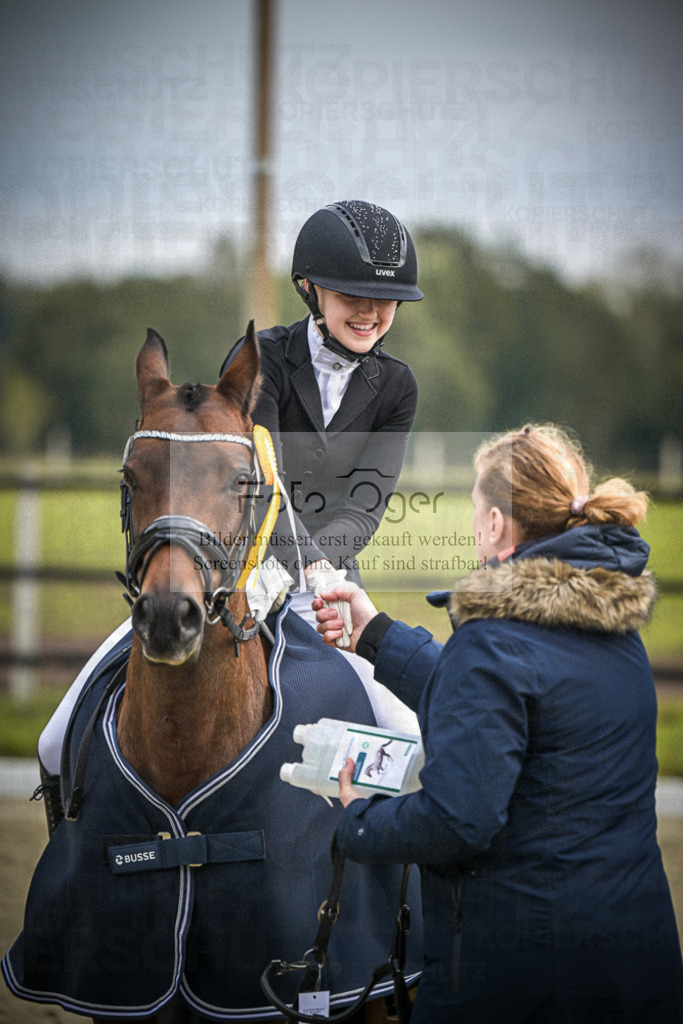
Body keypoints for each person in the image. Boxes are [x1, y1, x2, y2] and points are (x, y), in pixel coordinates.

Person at [36, 200, 422, 829]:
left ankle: (396, 908)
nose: (371, 312)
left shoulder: (398, 386)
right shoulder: (260, 359)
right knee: (56, 740)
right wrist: (271, 571)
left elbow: (368, 499)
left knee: (402, 735)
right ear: (309, 288)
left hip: (327, 588)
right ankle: (70, 858)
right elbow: (258, 484)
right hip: (234, 576)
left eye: (386, 299)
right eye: (351, 294)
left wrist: (319, 575)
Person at [314, 424, 683, 1024]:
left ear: (494, 525)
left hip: (521, 980)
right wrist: (374, 635)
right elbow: (520, 705)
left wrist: (359, 822)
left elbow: (458, 821)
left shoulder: (491, 645)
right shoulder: (613, 626)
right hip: (633, 962)